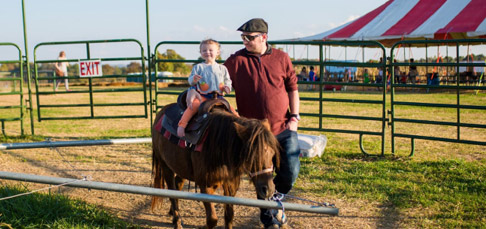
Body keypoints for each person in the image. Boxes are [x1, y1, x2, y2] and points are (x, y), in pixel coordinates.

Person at [186, 18, 301, 228]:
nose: (245, 41)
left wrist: (294, 117)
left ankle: (277, 201)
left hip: (283, 127)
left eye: (250, 37)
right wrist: (196, 87)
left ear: (264, 37)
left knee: (291, 170)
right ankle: (268, 219)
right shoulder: (236, 60)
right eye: (243, 38)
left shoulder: (282, 58)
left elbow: (292, 88)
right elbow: (214, 71)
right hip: (252, 132)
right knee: (261, 175)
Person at [177, 39, 236, 137]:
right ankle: (181, 126)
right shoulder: (198, 67)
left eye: (210, 50)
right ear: (200, 52)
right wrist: (194, 79)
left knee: (232, 111)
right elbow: (191, 80)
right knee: (193, 107)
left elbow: (227, 80)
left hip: (219, 97)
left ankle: (238, 127)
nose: (207, 52)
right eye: (204, 50)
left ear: (218, 52)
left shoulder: (222, 68)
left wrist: (227, 87)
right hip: (203, 96)